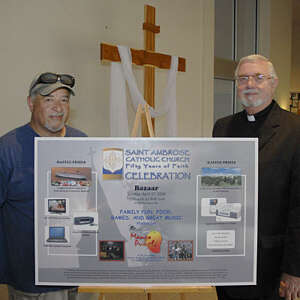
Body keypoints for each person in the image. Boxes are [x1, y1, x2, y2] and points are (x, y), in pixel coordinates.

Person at [213, 54, 300, 300]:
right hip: (226, 255)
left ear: (273, 83)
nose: (250, 84)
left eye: (258, 77)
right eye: (243, 78)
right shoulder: (222, 127)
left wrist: (294, 270)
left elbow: (298, 207)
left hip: (271, 265)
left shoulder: (295, 130)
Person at [0, 72, 87, 300]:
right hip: (31, 280)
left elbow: (97, 199)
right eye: (49, 100)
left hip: (80, 271)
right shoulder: (8, 149)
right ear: (31, 103)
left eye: (64, 100)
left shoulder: (83, 143)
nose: (58, 107)